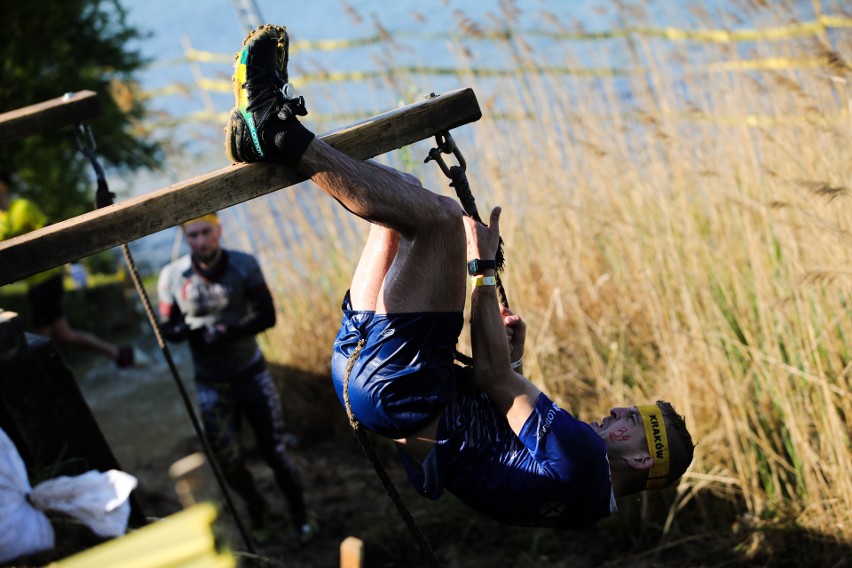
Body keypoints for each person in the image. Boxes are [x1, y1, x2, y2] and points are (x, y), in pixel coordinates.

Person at [223, 24, 695, 529]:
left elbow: (494, 380)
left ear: (645, 460)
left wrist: (483, 270)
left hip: (401, 388)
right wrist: (506, 357)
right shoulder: (581, 499)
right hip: (374, 386)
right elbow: (484, 428)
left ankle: (273, 128)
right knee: (401, 202)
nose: (619, 411)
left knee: (442, 221)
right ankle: (264, 140)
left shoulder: (585, 460)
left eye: (633, 422)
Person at [156, 212, 314, 544]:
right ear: (186, 238)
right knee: (228, 463)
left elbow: (267, 315)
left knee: (274, 452)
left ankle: (300, 515)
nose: (200, 241)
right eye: (193, 235)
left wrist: (229, 330)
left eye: (206, 233)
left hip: (251, 375)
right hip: (210, 384)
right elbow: (166, 328)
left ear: (218, 231)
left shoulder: (243, 265)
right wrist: (189, 331)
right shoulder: (172, 276)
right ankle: (257, 507)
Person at [0, 170, 133, 368]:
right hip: (32, 283)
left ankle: (44, 376)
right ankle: (118, 353)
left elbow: (49, 232)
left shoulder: (23, 207)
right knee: (65, 335)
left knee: (39, 339)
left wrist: (73, 263)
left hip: (48, 279)